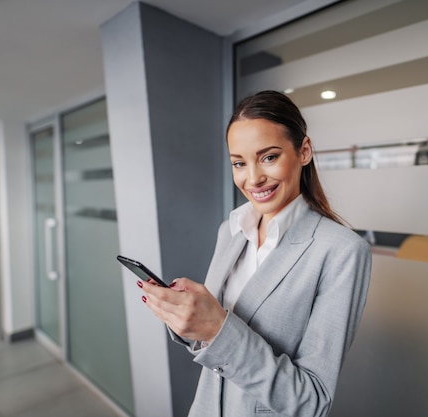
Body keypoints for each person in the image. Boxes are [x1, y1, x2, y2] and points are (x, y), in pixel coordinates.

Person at [138, 90, 372, 417]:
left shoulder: (342, 251)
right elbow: (209, 342)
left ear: (303, 151)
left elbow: (312, 402)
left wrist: (216, 328)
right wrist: (186, 318)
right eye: (239, 163)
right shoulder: (231, 230)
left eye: (269, 157)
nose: (253, 178)